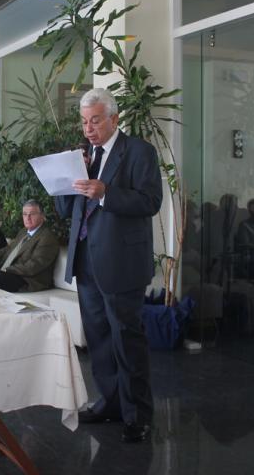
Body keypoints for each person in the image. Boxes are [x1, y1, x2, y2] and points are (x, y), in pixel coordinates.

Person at [54, 88, 162, 443]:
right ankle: (110, 403)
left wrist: (106, 193)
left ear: (114, 119)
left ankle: (137, 415)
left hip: (122, 262)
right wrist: (64, 181)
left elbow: (150, 202)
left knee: (126, 339)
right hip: (85, 259)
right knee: (99, 339)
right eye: (84, 122)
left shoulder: (139, 152)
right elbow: (66, 210)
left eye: (96, 120)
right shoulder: (83, 156)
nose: (89, 129)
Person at [0, 200, 59, 292]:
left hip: (28, 279)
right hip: (12, 272)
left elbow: (34, 265)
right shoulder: (23, 231)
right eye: (25, 214)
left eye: (32, 214)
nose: (28, 218)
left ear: (42, 216)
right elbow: (8, 249)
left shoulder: (47, 237)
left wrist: (7, 269)